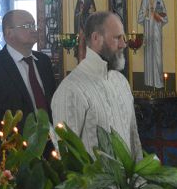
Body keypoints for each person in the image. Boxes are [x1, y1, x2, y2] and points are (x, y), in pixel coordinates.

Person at [51, 11, 142, 159]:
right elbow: (66, 157)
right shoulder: (71, 89)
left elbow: (134, 141)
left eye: (123, 38)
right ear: (95, 38)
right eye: (117, 38)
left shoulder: (121, 81)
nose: (123, 44)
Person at [0, 10, 57, 145]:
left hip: (50, 143)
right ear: (9, 32)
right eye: (27, 26)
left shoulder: (43, 61)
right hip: (14, 147)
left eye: (33, 25)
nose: (33, 30)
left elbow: (52, 103)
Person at [137, 0, 168, 88]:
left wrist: (157, 15)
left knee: (157, 55)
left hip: (156, 30)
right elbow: (140, 16)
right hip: (148, 30)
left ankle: (158, 81)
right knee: (148, 53)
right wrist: (146, 13)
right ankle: (149, 81)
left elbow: (165, 16)